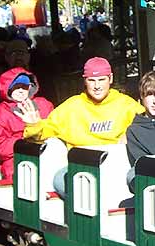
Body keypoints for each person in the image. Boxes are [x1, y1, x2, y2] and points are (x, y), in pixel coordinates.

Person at [15, 57, 145, 197]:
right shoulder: (71, 107)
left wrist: (130, 134)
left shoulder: (127, 105)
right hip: (81, 169)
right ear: (84, 80)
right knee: (61, 179)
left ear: (110, 79)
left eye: (102, 80)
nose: (97, 86)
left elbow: (148, 127)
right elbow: (43, 133)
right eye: (92, 80)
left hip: (115, 168)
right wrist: (34, 124)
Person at [0, 67, 54, 180]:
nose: (21, 91)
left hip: (46, 149)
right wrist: (25, 139)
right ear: (8, 89)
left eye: (25, 87)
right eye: (16, 87)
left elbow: (55, 127)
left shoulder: (44, 104)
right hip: (15, 157)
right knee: (21, 174)